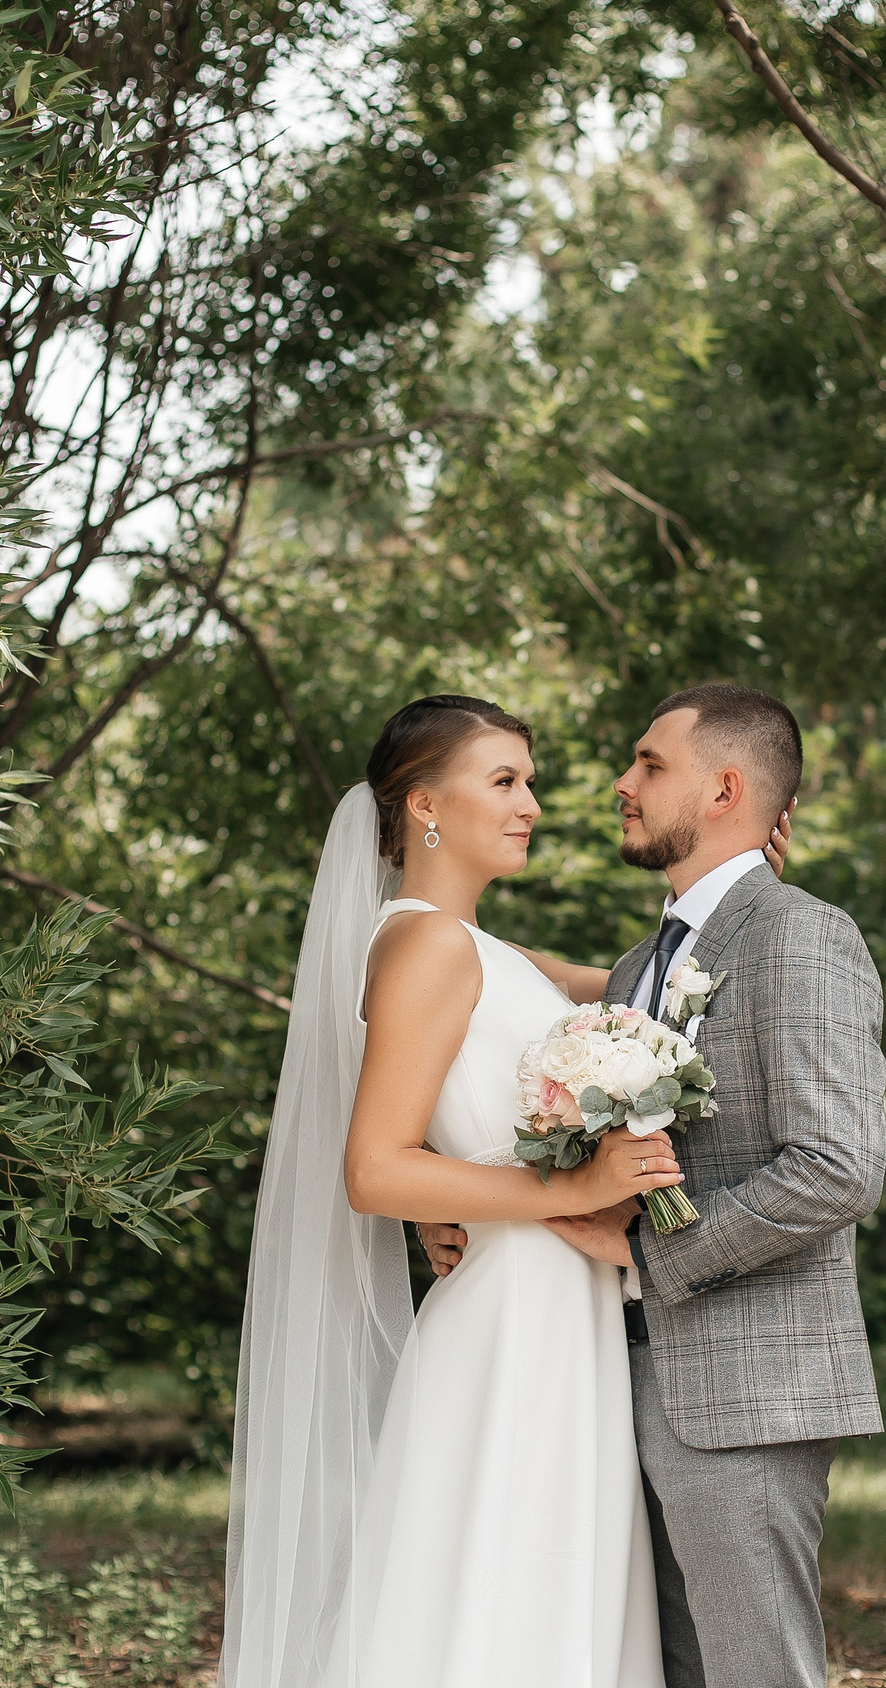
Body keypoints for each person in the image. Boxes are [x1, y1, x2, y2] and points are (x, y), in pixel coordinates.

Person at [423, 683, 886, 1688]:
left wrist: (651, 1251)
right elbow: (479, 996)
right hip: (606, 1376)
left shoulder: (800, 934)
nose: (620, 785)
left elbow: (836, 1169)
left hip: (744, 1387)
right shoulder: (644, 963)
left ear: (723, 790)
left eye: (648, 765)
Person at [221, 694, 686, 1688]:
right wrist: (572, 1190)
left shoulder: (485, 951)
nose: (533, 805)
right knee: (495, 1596)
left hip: (555, 1309)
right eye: (505, 781)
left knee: (544, 1591)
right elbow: (375, 1167)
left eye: (531, 782)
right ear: (424, 806)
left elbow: (630, 986)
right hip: (509, 1318)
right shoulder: (426, 944)